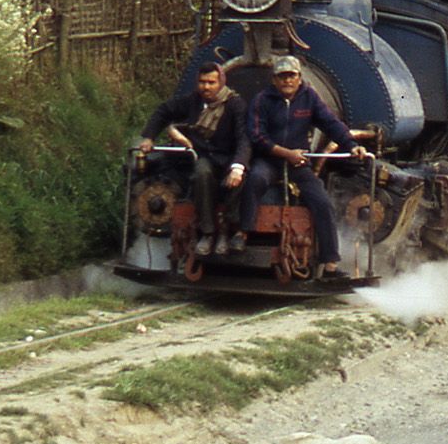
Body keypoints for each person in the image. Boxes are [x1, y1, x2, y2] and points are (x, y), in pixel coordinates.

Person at [238, 55, 369, 278]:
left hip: (298, 163)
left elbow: (331, 123)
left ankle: (330, 263)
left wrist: (352, 145)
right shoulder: (262, 100)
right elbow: (257, 136)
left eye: (291, 76)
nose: (287, 80)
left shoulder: (309, 98)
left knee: (321, 201)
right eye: (282, 76)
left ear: (299, 78)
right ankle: (243, 234)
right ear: (274, 80)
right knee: (255, 180)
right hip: (269, 159)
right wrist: (286, 153)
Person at [138, 63, 251, 255]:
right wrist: (149, 136)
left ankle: (227, 230)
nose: (206, 87)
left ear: (221, 83)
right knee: (201, 173)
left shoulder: (235, 105)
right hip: (204, 156)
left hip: (229, 157)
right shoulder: (193, 101)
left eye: (211, 83)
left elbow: (243, 138)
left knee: (237, 181)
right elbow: (164, 110)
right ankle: (207, 232)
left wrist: (238, 167)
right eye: (202, 82)